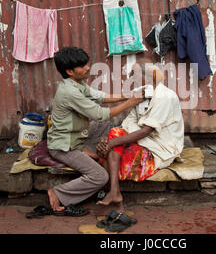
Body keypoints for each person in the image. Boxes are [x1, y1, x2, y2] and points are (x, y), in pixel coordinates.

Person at [46, 47, 145, 213]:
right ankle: (57, 192)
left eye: (86, 63)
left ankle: (87, 150)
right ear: (69, 71)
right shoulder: (69, 92)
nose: (87, 68)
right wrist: (131, 103)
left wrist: (126, 96)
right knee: (100, 176)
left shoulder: (77, 83)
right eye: (82, 66)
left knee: (109, 127)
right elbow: (100, 114)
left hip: (78, 134)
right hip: (64, 146)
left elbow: (99, 96)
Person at [96, 58, 184, 208]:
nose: (132, 79)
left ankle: (113, 191)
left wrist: (110, 143)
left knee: (111, 154)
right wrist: (109, 139)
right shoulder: (142, 95)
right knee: (114, 134)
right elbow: (128, 123)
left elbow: (146, 131)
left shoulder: (165, 96)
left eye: (135, 75)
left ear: (148, 76)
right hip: (144, 141)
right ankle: (115, 192)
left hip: (159, 148)